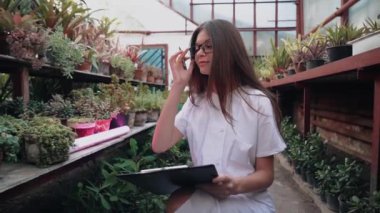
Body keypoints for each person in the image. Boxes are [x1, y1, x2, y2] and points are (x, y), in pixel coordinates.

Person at [152, 19, 286, 213]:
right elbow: (159, 145)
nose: (200, 53)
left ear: (229, 50)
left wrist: (235, 186)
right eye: (196, 48)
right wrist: (178, 85)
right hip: (204, 196)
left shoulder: (257, 102)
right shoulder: (195, 102)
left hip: (246, 199)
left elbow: (266, 174)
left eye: (208, 46)